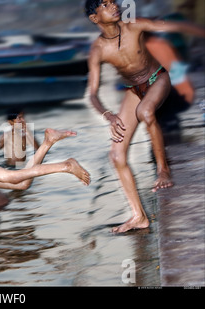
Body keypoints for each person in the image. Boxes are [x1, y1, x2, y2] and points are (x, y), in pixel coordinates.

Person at [85, 0, 205, 232]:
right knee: (116, 155)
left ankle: (163, 170)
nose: (114, 6)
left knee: (146, 111)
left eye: (113, 2)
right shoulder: (98, 50)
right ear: (94, 18)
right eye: (106, 5)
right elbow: (92, 94)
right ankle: (138, 216)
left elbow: (172, 27)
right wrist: (108, 115)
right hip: (135, 91)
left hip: (157, 78)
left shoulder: (134, 25)